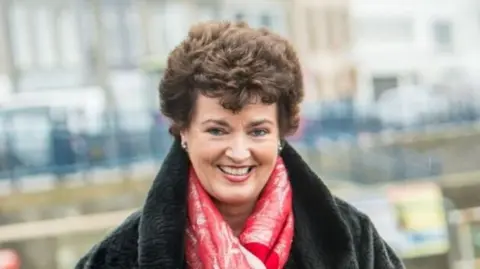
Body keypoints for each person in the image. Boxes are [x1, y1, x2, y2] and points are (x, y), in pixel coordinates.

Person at [75, 21, 404, 269]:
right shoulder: (117, 257)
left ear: (281, 134)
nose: (238, 151)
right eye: (217, 130)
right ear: (183, 132)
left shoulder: (354, 239)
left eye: (258, 131)